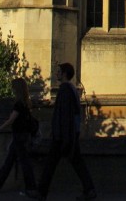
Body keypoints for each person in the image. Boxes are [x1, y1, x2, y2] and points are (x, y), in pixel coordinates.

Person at [35, 62, 96, 201]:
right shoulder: (71, 89)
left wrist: (62, 135)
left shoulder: (65, 90)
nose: (56, 74)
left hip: (63, 136)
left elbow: (65, 115)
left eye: (59, 71)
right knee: (76, 163)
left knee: (51, 164)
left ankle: (41, 193)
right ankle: (89, 189)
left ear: (64, 74)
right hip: (67, 134)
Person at [0, 77, 38, 195]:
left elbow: (10, 120)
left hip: (20, 137)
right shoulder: (26, 103)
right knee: (9, 163)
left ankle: (31, 189)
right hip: (22, 136)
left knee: (24, 164)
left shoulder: (19, 104)